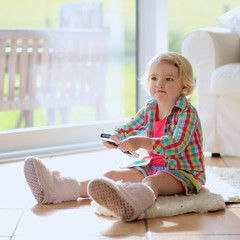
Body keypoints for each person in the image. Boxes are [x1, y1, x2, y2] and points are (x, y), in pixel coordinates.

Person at [24, 52, 205, 222]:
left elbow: (176, 144)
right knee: (109, 175)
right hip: (152, 166)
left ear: (184, 86)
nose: (159, 84)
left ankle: (134, 202)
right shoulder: (151, 108)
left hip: (183, 172)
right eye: (154, 78)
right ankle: (58, 189)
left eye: (169, 79)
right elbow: (131, 125)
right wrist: (116, 134)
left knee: (153, 182)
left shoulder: (187, 113)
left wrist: (142, 142)